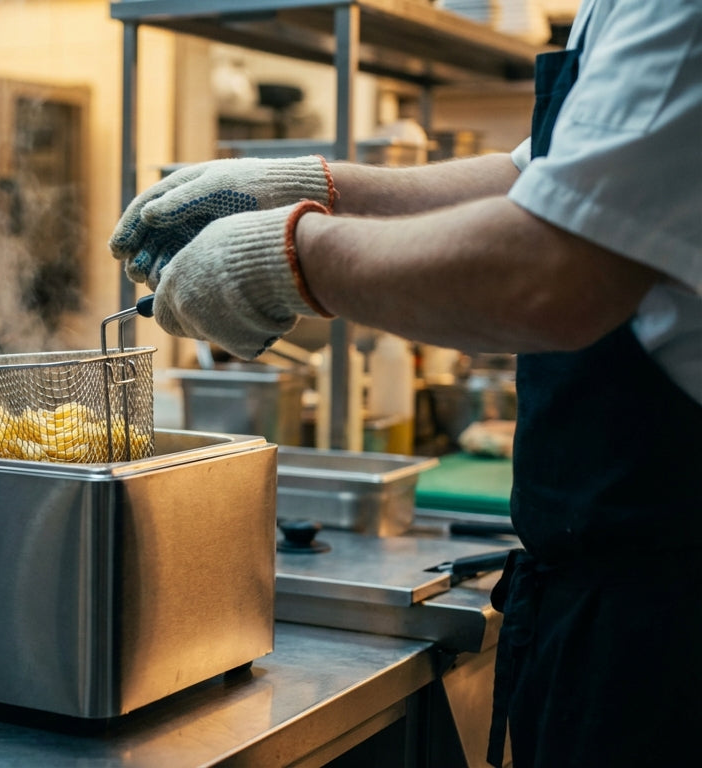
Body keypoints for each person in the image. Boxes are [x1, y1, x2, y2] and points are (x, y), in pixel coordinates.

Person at [110, 1, 701, 766]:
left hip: (672, 616)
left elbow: (553, 270)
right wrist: (315, 186)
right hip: (615, 594)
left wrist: (287, 257)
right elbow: (535, 183)